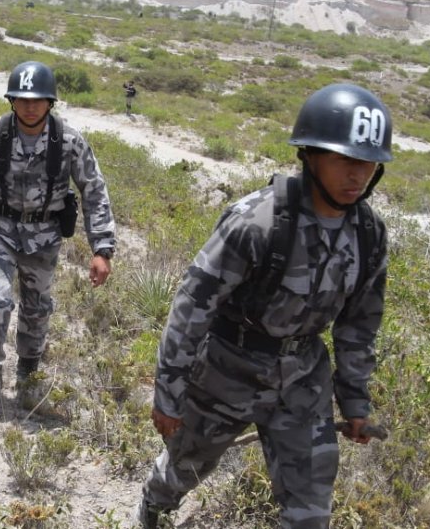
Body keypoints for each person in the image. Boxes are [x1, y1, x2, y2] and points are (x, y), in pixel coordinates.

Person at [138, 83, 393, 528]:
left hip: (302, 382)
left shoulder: (368, 234)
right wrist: (169, 395)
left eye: (369, 163)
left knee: (310, 511)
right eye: (346, 161)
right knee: (185, 469)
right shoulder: (258, 221)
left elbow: (359, 325)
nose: (359, 175)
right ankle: (153, 507)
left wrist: (354, 402)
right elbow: (192, 307)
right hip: (226, 371)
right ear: (310, 156)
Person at [0, 60, 117, 417]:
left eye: (38, 99)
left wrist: (102, 248)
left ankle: (27, 376)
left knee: (36, 309)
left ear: (50, 101)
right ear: (11, 100)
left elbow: (94, 192)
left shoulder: (69, 141)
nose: (30, 105)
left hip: (44, 237)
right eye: (22, 98)